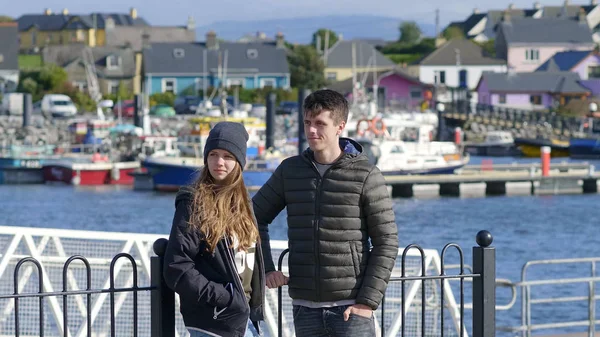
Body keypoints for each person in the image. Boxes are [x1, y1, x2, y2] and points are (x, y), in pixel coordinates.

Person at [252, 89, 399, 336]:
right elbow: (254, 217)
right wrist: (267, 268)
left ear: (340, 126)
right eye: (307, 122)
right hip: (304, 308)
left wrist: (367, 302)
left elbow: (387, 241)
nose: (311, 131)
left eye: (320, 124)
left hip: (352, 309)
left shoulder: (365, 175)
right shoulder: (290, 171)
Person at [163, 121, 265, 337]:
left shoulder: (243, 201)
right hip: (213, 324)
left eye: (228, 156)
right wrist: (224, 298)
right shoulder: (193, 201)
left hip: (244, 320)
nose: (219, 162)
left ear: (239, 161)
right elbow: (176, 266)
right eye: (213, 154)